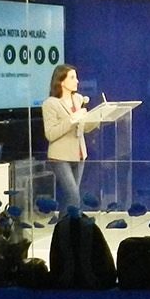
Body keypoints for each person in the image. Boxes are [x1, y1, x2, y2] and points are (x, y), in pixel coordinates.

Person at [42, 64, 89, 210]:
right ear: (61, 81)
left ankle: (63, 228)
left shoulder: (79, 99)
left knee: (71, 198)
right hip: (61, 157)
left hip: (79, 154)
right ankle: (69, 229)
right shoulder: (50, 104)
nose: (77, 81)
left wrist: (96, 119)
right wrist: (72, 119)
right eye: (72, 77)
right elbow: (50, 134)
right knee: (73, 195)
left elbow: (83, 128)